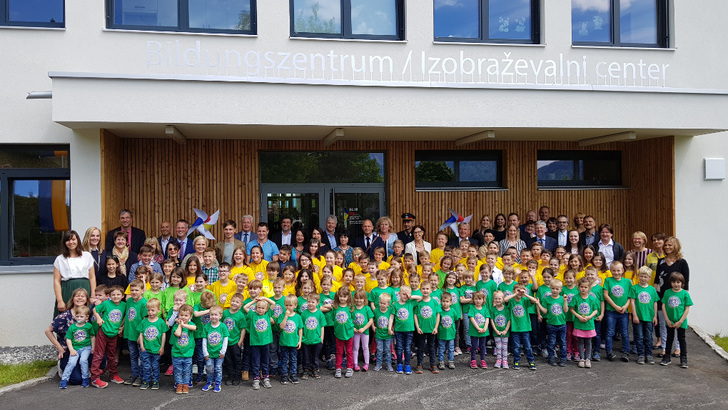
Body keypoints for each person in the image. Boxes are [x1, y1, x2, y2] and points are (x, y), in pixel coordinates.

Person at [654, 236, 689, 358]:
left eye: (670, 245)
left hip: (677, 300)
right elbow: (656, 280)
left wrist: (685, 301)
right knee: (663, 324)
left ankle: (678, 348)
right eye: (666, 245)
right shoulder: (661, 261)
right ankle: (664, 348)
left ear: (676, 247)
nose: (667, 247)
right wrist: (655, 297)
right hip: (662, 297)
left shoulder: (682, 262)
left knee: (677, 325)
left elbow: (686, 283)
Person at [53, 230, 96, 317]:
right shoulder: (60, 259)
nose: (71, 242)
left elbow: (92, 277)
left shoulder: (87, 256)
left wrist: (93, 295)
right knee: (67, 317)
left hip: (85, 289)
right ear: (64, 243)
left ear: (77, 240)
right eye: (68, 240)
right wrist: (60, 300)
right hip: (67, 290)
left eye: (73, 239)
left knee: (84, 316)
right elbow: (56, 281)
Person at [90, 285, 126, 388]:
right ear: (109, 296)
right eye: (113, 295)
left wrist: (122, 326)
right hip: (103, 332)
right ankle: (95, 378)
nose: (116, 296)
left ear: (122, 296)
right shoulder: (106, 304)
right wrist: (98, 318)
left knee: (111, 355)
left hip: (114, 334)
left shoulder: (124, 305)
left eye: (118, 294)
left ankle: (113, 375)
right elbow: (95, 310)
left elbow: (124, 316)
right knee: (99, 355)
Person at [660, 272, 692, 368]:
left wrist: (680, 321)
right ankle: (667, 357)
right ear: (671, 283)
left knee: (681, 339)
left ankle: (683, 359)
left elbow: (687, 308)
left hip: (680, 321)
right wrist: (667, 319)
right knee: (669, 339)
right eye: (674, 282)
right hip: (670, 321)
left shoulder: (685, 294)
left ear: (682, 283)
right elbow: (664, 305)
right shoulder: (667, 292)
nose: (676, 284)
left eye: (678, 282)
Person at [59, 305, 96, 389]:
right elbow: (68, 339)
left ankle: (85, 379)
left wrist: (93, 347)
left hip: (86, 347)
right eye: (77, 316)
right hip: (75, 348)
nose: (79, 318)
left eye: (81, 316)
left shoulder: (89, 326)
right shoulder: (72, 327)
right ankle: (64, 379)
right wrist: (71, 349)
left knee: (83, 361)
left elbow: (92, 336)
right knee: (71, 363)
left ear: (86, 317)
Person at [243, 296, 275, 390]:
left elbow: (273, 303)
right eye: (258, 308)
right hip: (255, 342)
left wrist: (264, 298)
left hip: (266, 342)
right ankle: (256, 379)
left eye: (263, 308)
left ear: (266, 309)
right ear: (256, 308)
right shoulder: (253, 315)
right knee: (256, 362)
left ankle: (265, 377)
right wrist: (254, 301)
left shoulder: (268, 314)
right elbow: (245, 307)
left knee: (265, 361)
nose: (260, 310)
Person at [603, 261, 632, 362]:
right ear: (611, 271)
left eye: (618, 270)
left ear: (623, 270)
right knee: (610, 332)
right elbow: (606, 295)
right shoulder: (608, 280)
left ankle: (626, 352)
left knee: (624, 332)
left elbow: (630, 296)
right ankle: (609, 351)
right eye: (614, 270)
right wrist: (615, 306)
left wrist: (625, 306)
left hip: (624, 311)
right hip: (611, 311)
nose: (616, 272)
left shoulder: (628, 282)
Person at [629, 266, 659, 365]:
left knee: (649, 337)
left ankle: (649, 355)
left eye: (645, 277)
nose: (643, 278)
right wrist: (634, 315)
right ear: (638, 276)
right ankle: (641, 355)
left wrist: (654, 316)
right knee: (639, 336)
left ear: (649, 278)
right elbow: (632, 302)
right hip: (639, 316)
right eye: (641, 276)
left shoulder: (652, 289)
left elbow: (655, 302)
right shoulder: (634, 288)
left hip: (649, 317)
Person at [138, 298, 169, 390]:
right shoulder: (144, 322)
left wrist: (162, 347)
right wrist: (142, 346)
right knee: (146, 366)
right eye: (148, 310)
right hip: (146, 348)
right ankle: (146, 381)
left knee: (155, 366)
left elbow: (164, 335)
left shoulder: (161, 322)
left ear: (158, 310)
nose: (150, 312)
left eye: (153, 310)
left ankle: (156, 381)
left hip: (156, 348)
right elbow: (141, 334)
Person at [569, 278, 600, 369]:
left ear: (589, 288)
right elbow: (572, 309)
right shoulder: (576, 298)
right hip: (579, 323)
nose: (583, 289)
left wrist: (589, 317)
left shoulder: (591, 298)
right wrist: (578, 316)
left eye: (585, 287)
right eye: (581, 287)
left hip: (589, 323)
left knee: (588, 342)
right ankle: (581, 358)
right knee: (580, 341)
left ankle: (588, 359)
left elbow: (595, 310)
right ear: (578, 287)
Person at [538, 278, 568, 367]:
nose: (555, 290)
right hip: (551, 324)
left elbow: (566, 310)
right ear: (550, 288)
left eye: (557, 289)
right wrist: (538, 304)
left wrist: (565, 301)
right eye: (553, 288)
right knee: (551, 343)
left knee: (563, 343)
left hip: (562, 324)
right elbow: (544, 311)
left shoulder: (562, 299)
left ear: (560, 289)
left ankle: (563, 358)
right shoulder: (547, 299)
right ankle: (551, 358)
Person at [124, 279, 148, 386]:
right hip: (130, 333)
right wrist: (122, 327)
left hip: (139, 335)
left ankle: (141, 376)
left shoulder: (144, 303)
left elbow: (145, 320)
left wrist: (141, 335)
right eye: (132, 290)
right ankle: (134, 374)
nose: (134, 292)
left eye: (136, 290)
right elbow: (127, 315)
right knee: (133, 355)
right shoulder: (129, 301)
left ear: (142, 291)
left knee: (142, 356)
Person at [171, 304, 197, 394]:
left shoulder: (191, 324)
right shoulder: (176, 326)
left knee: (187, 370)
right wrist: (180, 325)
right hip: (177, 353)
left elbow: (194, 328)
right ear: (178, 315)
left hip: (188, 353)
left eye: (186, 316)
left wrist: (184, 325)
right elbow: (177, 334)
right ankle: (179, 384)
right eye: (181, 315)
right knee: (178, 370)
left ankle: (186, 384)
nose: (183, 317)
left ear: (190, 316)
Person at [201, 305, 228, 392]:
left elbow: (225, 339)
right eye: (212, 314)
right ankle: (209, 383)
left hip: (219, 353)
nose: (213, 317)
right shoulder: (206, 327)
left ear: (220, 316)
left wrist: (223, 351)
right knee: (209, 368)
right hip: (209, 353)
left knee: (218, 368)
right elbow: (204, 341)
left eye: (216, 315)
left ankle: (217, 383)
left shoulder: (223, 326)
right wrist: (205, 353)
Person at [278, 295, 303, 384]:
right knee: (284, 359)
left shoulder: (298, 317)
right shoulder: (282, 315)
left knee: (293, 359)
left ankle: (293, 374)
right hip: (284, 342)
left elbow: (300, 329)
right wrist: (286, 316)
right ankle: (284, 375)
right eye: (286, 305)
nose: (288, 307)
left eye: (290, 305)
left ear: (295, 306)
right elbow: (281, 326)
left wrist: (300, 340)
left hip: (293, 342)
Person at [300, 292, 326, 379]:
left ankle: (315, 369)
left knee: (315, 356)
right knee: (306, 356)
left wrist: (321, 338)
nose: (310, 304)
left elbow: (322, 326)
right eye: (309, 302)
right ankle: (306, 370)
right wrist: (301, 338)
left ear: (317, 303)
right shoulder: (304, 314)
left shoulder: (320, 314)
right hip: (306, 339)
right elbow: (301, 327)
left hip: (316, 339)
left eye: (313, 302)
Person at [351, 289, 374, 372]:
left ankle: (366, 364)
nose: (358, 300)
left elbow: (371, 320)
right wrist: (353, 328)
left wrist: (364, 328)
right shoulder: (352, 308)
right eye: (356, 298)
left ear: (364, 299)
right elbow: (349, 320)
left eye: (361, 298)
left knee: (365, 347)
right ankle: (355, 364)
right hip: (355, 332)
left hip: (365, 332)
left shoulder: (367, 308)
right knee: (355, 348)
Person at [467, 291, 491, 369]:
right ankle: (473, 360)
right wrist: (478, 328)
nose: (478, 300)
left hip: (483, 331)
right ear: (473, 299)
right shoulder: (472, 308)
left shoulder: (485, 308)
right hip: (474, 331)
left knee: (482, 346)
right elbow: (472, 318)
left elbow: (487, 318)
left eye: (480, 299)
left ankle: (483, 360)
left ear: (483, 300)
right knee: (474, 346)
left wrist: (485, 328)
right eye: (476, 299)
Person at [437, 292, 458, 369]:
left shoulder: (453, 311)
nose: (445, 303)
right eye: (443, 301)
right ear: (441, 301)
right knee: (441, 349)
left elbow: (455, 319)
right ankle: (441, 362)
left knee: (451, 349)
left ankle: (450, 361)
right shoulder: (439, 311)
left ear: (450, 302)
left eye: (447, 301)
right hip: (441, 334)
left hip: (451, 334)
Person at [490, 290, 511, 369]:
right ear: (493, 299)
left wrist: (506, 330)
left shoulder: (506, 309)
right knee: (498, 347)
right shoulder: (493, 309)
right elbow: (492, 320)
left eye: (499, 299)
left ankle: (505, 361)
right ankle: (498, 360)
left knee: (505, 347)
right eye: (496, 299)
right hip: (497, 332)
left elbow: (509, 320)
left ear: (503, 299)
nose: (498, 300)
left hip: (505, 332)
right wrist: (495, 330)